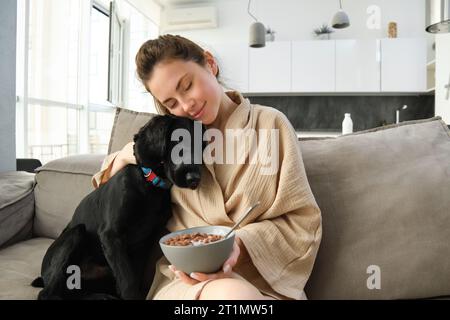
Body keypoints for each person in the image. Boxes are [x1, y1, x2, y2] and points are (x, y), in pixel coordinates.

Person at [91, 34, 322, 300]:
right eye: (171, 103)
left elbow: (302, 220)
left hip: (262, 281)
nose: (186, 105)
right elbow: (109, 193)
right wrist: (124, 156)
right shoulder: (168, 143)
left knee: (235, 296)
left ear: (210, 64)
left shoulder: (270, 125)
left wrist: (240, 243)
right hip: (184, 281)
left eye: (187, 85)